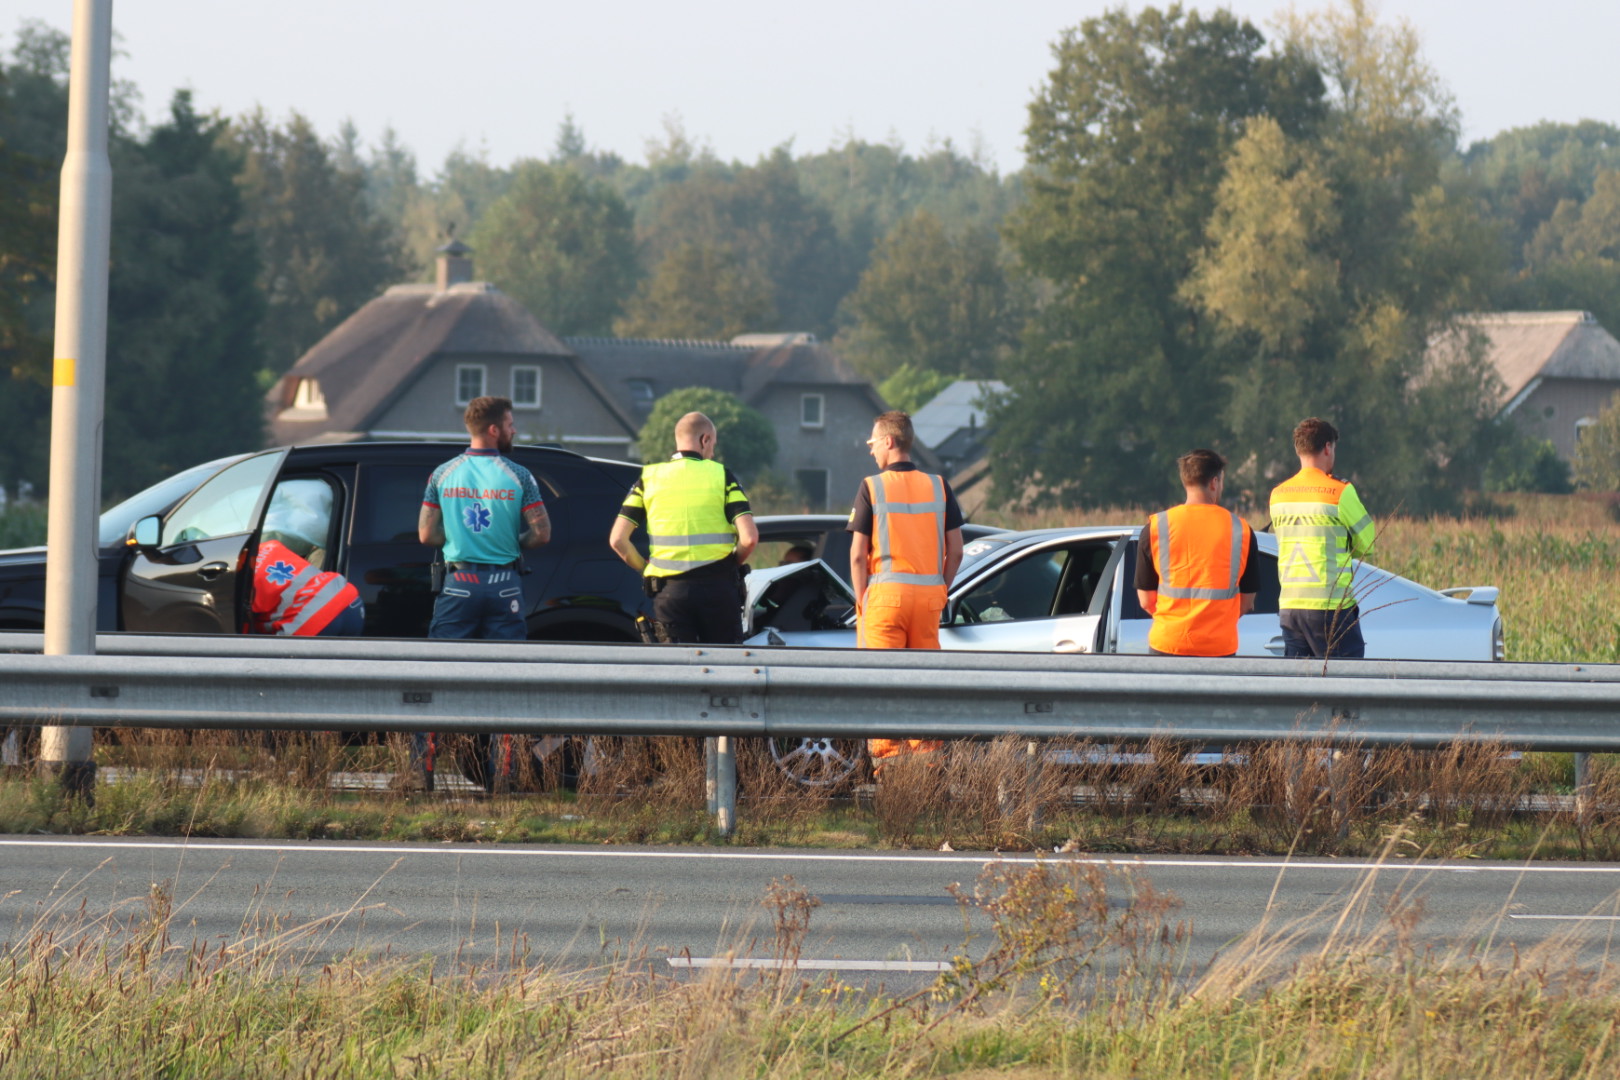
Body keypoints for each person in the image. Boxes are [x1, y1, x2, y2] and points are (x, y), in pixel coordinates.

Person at [417, 395, 551, 790]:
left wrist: (459, 539)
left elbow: (426, 534)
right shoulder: (519, 475)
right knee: (505, 680)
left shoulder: (443, 474)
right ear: (493, 429)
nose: (514, 430)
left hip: (458, 585)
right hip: (504, 584)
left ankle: (419, 775)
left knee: (436, 680)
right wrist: (509, 541)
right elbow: (542, 534)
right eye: (510, 424)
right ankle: (503, 777)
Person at [847, 410, 965, 770]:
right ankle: (928, 772)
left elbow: (855, 556)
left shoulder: (872, 486)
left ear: (888, 441)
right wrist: (939, 588)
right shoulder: (939, 486)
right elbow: (957, 549)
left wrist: (861, 601)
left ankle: (891, 776)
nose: (870, 451)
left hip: (885, 601)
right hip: (928, 601)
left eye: (872, 443)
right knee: (924, 687)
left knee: (883, 687)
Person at [608, 411, 758, 644]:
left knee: (679, 674)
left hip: (670, 594)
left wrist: (646, 570)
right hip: (718, 590)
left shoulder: (648, 478)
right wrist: (730, 564)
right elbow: (749, 539)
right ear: (704, 439)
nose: (713, 452)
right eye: (713, 445)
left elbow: (617, 539)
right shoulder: (722, 475)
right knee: (727, 672)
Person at [1134, 449, 1260, 657]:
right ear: (1214, 483)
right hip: (1219, 647)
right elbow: (1247, 601)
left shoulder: (1157, 527)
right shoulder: (1241, 530)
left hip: (1168, 643)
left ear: (1186, 481)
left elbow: (1146, 600)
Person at [1269, 417, 1376, 658]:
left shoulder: (1278, 495)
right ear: (1327, 447)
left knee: (1299, 687)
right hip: (1330, 607)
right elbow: (1368, 542)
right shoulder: (1339, 491)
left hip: (1290, 607)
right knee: (1345, 686)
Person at [248, 536, 364, 637]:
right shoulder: (271, 546)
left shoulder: (242, 578)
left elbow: (241, 632)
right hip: (347, 599)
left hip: (311, 621)